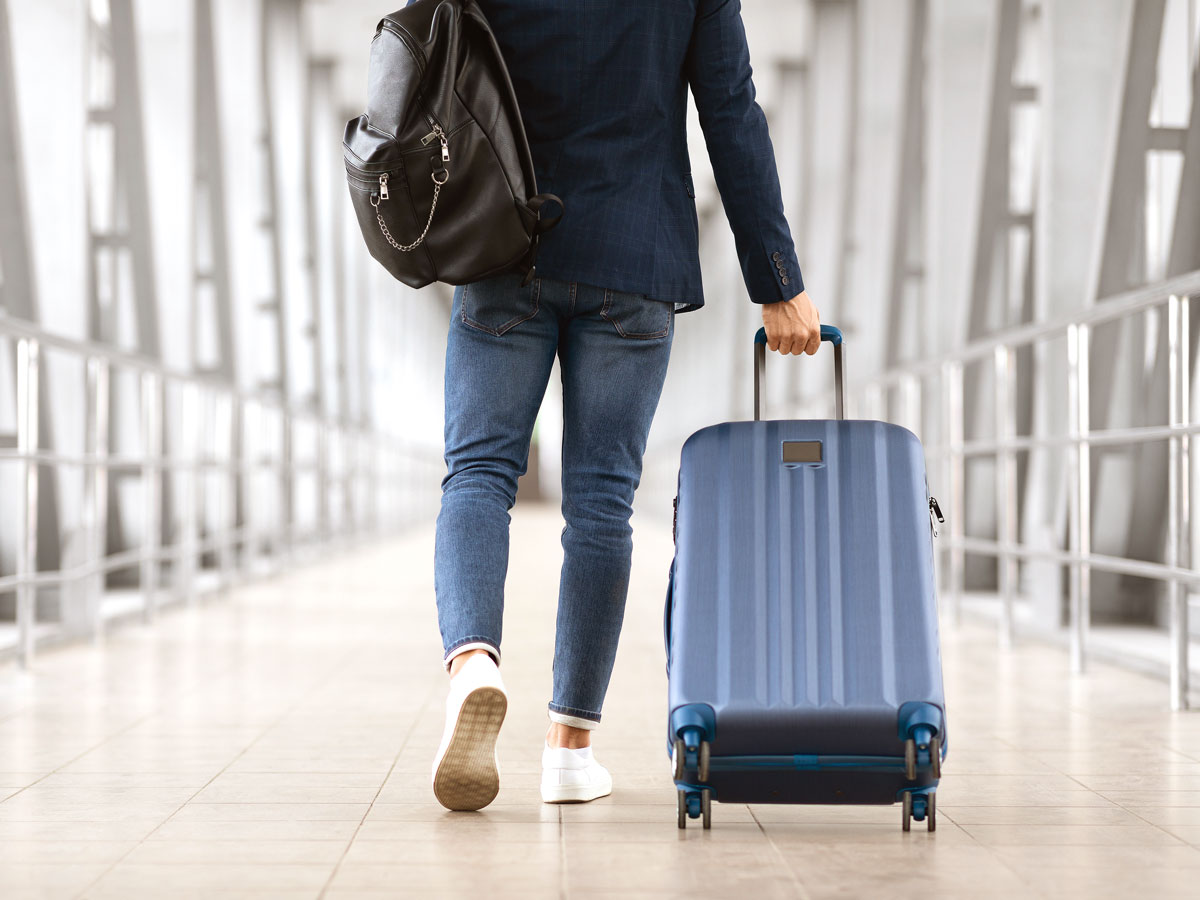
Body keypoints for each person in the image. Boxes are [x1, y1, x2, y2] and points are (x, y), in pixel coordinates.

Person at [429, 0, 822, 812]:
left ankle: (472, 663)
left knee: (478, 475)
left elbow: (424, 48)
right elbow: (731, 111)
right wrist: (777, 281)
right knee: (601, 504)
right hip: (634, 255)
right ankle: (569, 750)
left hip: (503, 239)